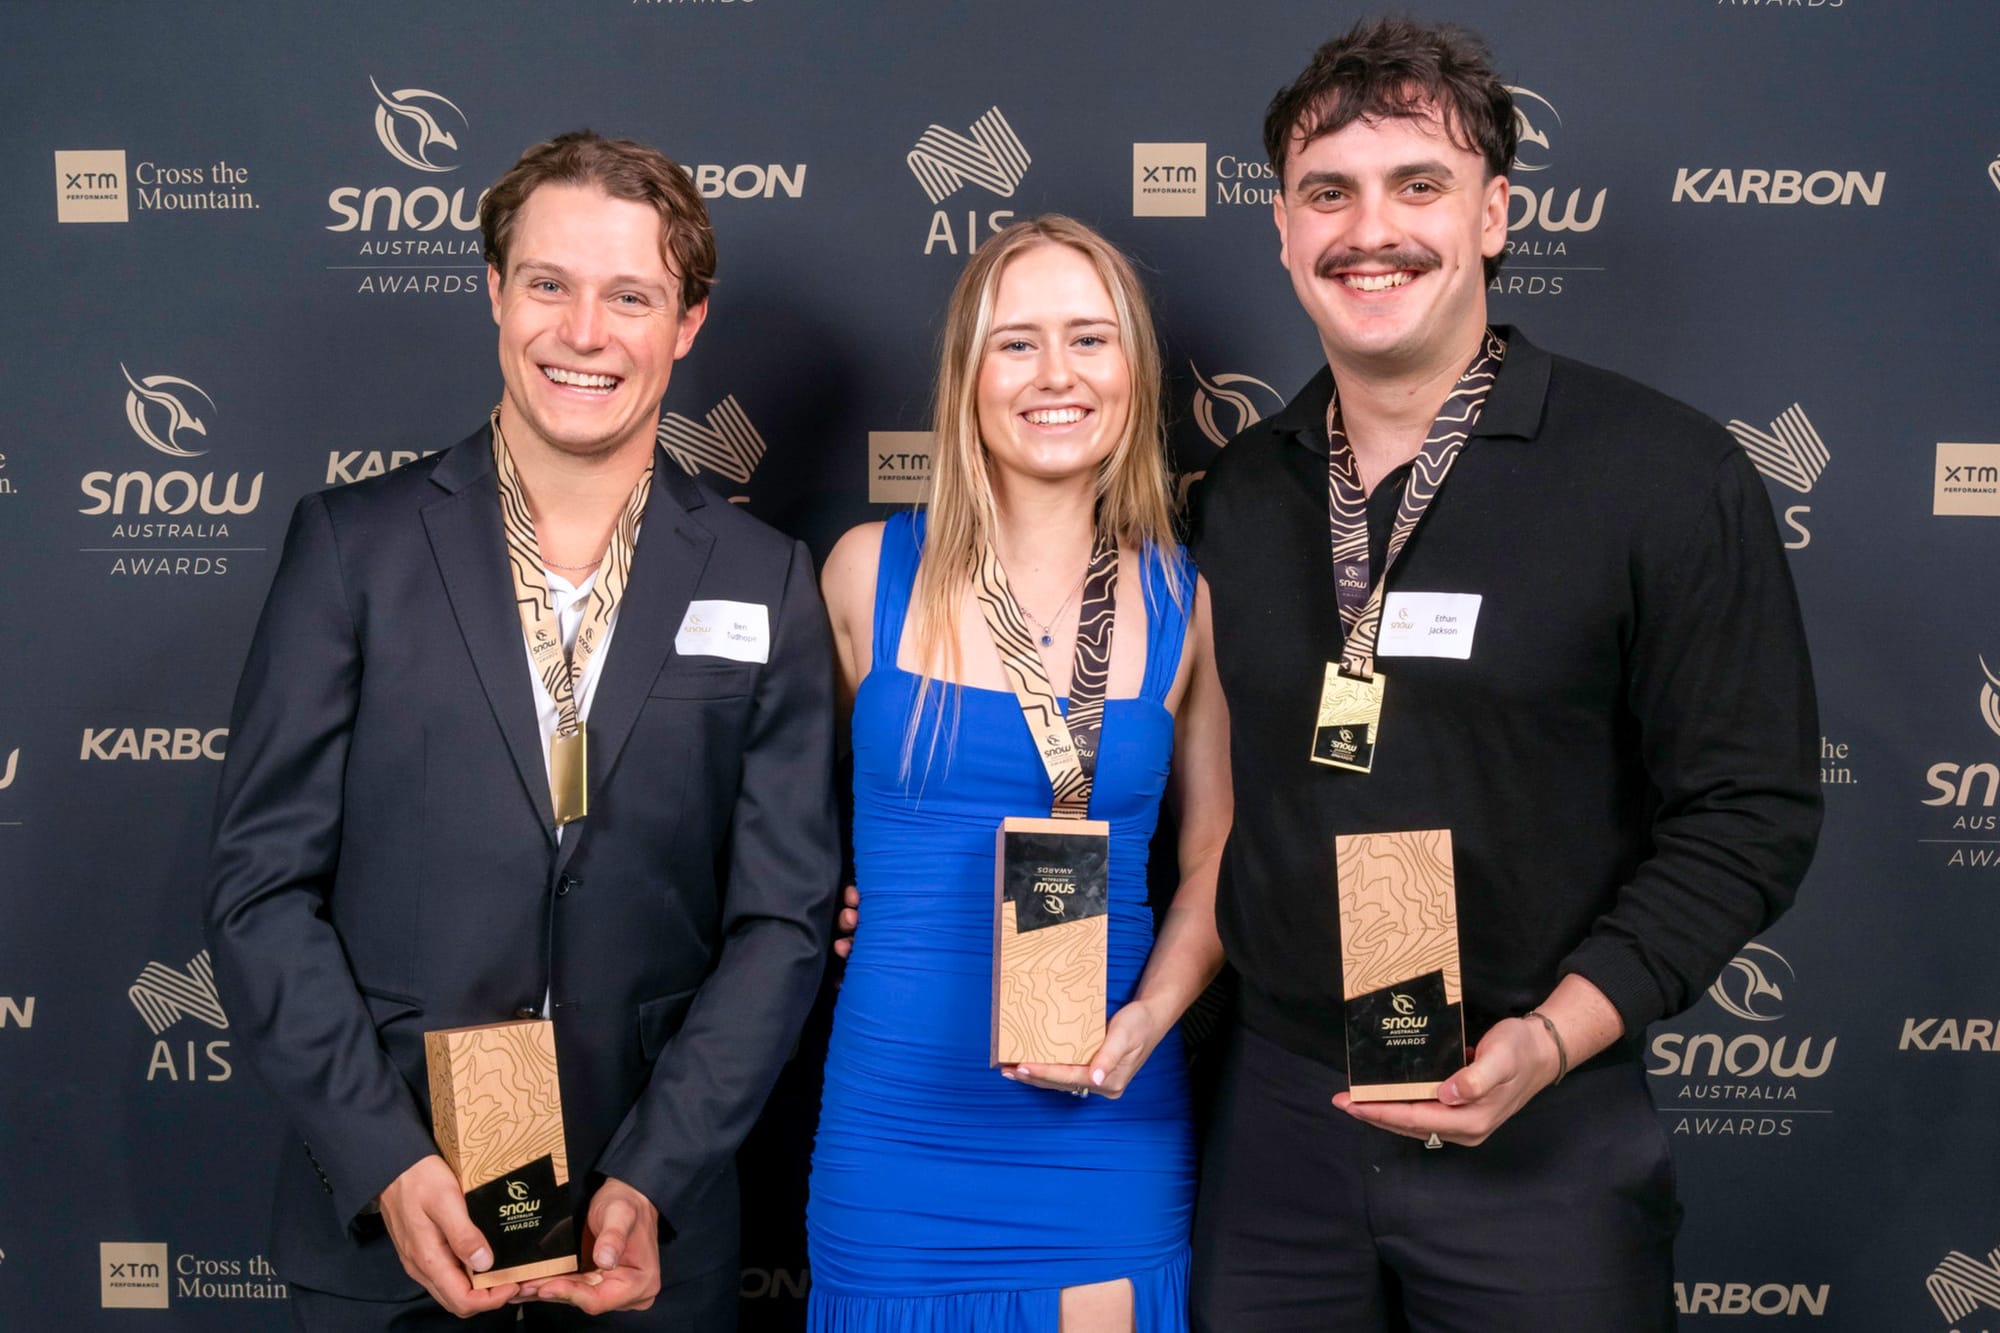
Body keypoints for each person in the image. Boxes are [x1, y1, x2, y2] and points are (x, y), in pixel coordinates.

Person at [1185, 19, 1822, 1330]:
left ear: (1494, 215)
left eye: (1419, 184)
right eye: (1330, 193)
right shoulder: (1242, 493)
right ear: (1285, 231)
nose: (1374, 228)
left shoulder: (1663, 473)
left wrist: (1552, 1037)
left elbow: (1751, 810)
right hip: (1277, 1128)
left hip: (1539, 1122)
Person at [204, 130, 838, 1330]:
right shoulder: (352, 548)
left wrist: (655, 1171)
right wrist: (384, 1158)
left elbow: (781, 921)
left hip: (642, 1233)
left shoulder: (764, 582)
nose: (582, 332)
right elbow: (258, 889)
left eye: (629, 295)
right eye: (548, 283)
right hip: (392, 1230)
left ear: (688, 320)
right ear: (495, 292)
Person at [806, 216, 1232, 1331]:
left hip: (1103, 1109)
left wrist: (1151, 1016)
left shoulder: (1185, 602)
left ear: (1132, 373)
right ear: (967, 375)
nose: (1055, 375)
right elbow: (777, 824)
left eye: (1089, 340)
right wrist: (827, 903)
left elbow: (1213, 857)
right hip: (895, 1112)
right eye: (1016, 343)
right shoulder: (864, 572)